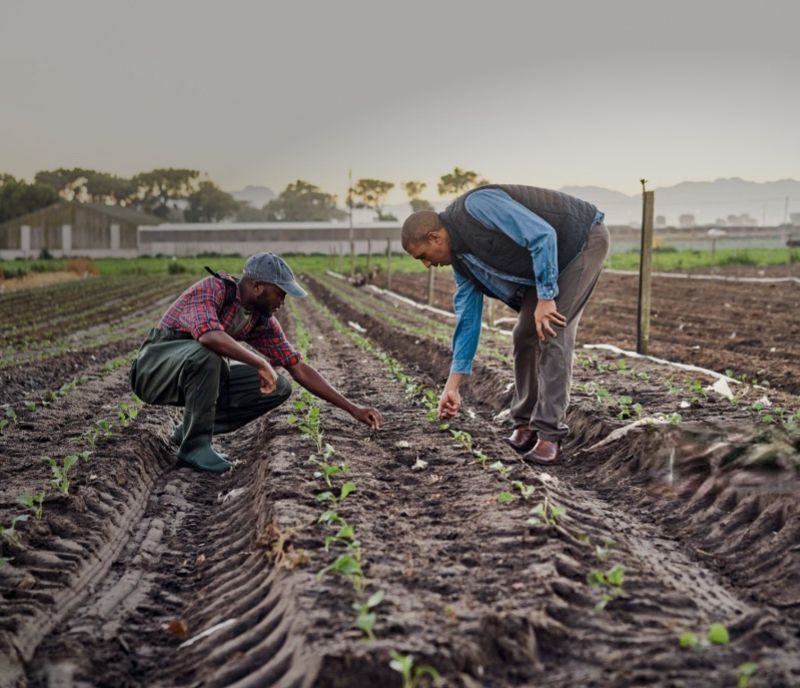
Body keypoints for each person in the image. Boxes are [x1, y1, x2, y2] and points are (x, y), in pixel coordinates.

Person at [401, 184, 609, 465]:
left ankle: (549, 435)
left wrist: (547, 297)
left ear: (435, 237)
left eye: (422, 256)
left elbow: (542, 234)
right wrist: (453, 386)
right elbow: (468, 321)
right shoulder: (463, 265)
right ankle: (523, 425)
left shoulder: (477, 206)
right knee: (524, 334)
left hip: (580, 241)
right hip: (546, 260)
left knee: (552, 329)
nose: (426, 264)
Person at [130, 252, 383, 473]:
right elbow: (209, 336)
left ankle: (189, 431)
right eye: (280, 293)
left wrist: (353, 409)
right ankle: (194, 448)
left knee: (280, 387)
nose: (282, 302)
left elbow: (299, 368)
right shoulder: (213, 289)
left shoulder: (260, 320)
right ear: (258, 286)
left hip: (195, 370)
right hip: (153, 370)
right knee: (208, 355)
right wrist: (261, 363)